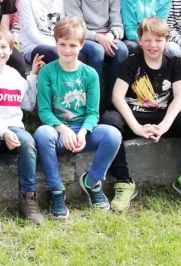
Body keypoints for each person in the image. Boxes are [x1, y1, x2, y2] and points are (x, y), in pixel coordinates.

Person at [99, 17, 181, 211]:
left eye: (158, 40)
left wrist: (164, 125)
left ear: (167, 40)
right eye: (147, 40)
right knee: (109, 121)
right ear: (139, 41)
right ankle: (124, 181)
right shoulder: (131, 62)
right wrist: (136, 127)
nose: (152, 45)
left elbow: (180, 97)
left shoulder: (174, 62)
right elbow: (117, 97)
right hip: (134, 116)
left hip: (161, 117)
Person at [34, 17, 122, 217]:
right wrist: (62, 129)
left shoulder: (89, 74)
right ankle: (56, 190)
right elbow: (45, 111)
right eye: (62, 44)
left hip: (82, 132)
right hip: (58, 132)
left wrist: (83, 133)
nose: (66, 49)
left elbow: (93, 113)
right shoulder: (47, 72)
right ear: (55, 44)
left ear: (82, 45)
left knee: (112, 135)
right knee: (41, 134)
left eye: (72, 45)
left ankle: (92, 182)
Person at [0, 26, 45, 227]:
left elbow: (27, 104)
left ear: (11, 50)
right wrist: (3, 131)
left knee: (28, 141)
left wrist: (33, 76)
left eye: (4, 47)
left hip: (13, 128)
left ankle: (28, 197)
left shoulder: (13, 75)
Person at [63, 0, 128, 109]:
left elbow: (118, 25)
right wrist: (98, 38)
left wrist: (111, 36)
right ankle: (95, 101)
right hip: (83, 37)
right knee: (97, 51)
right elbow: (77, 27)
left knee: (122, 50)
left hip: (108, 35)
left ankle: (114, 98)